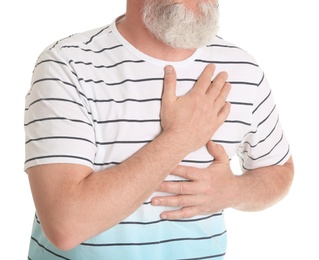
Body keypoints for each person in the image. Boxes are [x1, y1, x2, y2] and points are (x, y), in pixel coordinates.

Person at [24, 0, 294, 259]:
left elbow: (279, 170)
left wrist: (233, 191)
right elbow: (65, 225)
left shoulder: (242, 68)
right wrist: (179, 138)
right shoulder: (67, 65)